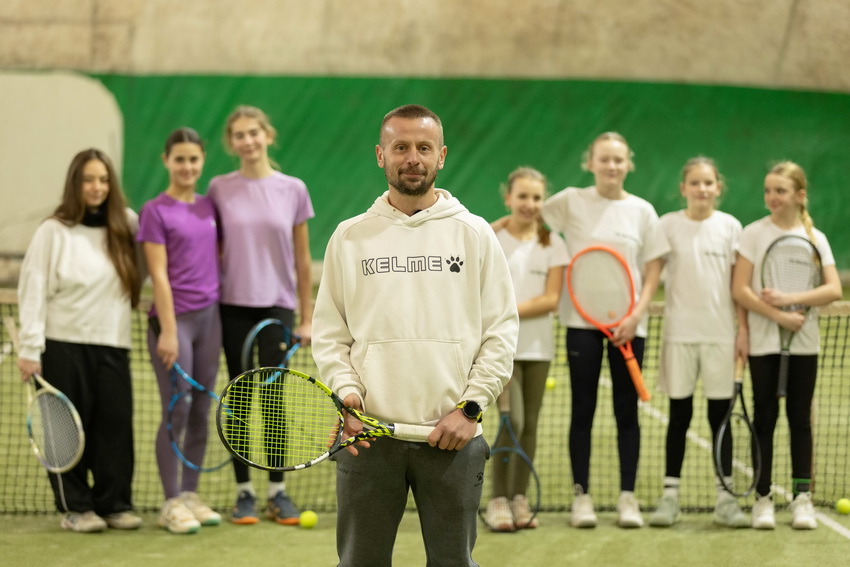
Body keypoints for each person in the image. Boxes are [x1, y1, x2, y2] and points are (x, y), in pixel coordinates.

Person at [312, 104, 519, 566]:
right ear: (380, 155)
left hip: (453, 438)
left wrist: (470, 409)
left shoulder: (475, 234)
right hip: (368, 439)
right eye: (400, 147)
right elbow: (329, 334)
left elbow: (501, 331)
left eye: (424, 148)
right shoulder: (348, 237)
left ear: (441, 156)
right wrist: (347, 395)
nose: (412, 158)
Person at [541, 132, 670, 528]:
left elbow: (654, 268)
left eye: (618, 160)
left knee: (626, 413)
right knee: (582, 410)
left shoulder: (642, 211)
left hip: (629, 326)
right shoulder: (569, 201)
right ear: (590, 163)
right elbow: (527, 221)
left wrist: (636, 315)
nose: (611, 166)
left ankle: (627, 498)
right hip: (581, 323)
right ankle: (582, 498)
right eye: (604, 159)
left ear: (628, 164)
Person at [16, 148, 143, 533]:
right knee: (65, 433)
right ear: (75, 184)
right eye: (88, 180)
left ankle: (114, 504)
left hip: (113, 344)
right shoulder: (53, 230)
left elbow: (151, 263)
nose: (97, 187)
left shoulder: (127, 225)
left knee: (115, 426)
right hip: (61, 344)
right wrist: (29, 348)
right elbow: (33, 287)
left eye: (103, 180)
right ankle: (76, 508)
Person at [207, 105, 315, 525]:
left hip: (277, 308)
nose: (248, 140)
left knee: (273, 400)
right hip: (231, 307)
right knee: (238, 398)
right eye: (239, 135)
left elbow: (302, 260)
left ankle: (277, 492)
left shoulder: (294, 189)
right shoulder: (219, 188)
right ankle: (244, 494)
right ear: (231, 143)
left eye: (254, 132)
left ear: (268, 135)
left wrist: (306, 317)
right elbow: (212, 249)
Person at [731, 161, 841, 530]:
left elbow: (833, 289)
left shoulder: (815, 238)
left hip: (804, 344)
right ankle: (762, 498)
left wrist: (791, 299)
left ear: (799, 195)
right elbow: (740, 289)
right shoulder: (752, 233)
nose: (772, 197)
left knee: (800, 420)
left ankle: (801, 498)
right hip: (763, 343)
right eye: (768, 190)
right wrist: (778, 314)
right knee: (764, 418)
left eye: (780, 190)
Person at [647, 157, 748, 528]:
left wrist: (743, 331)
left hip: (721, 336)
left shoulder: (731, 227)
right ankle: (670, 497)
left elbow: (738, 286)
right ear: (683, 188)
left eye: (708, 183)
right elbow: (652, 277)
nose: (702, 189)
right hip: (679, 336)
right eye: (695, 182)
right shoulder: (667, 225)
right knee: (679, 416)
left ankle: (726, 499)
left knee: (720, 417)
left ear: (718, 187)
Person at [138, 128, 222, 534]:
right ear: (166, 161)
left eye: (193, 159)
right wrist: (169, 331)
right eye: (179, 159)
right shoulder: (154, 211)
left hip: (210, 321)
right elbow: (158, 274)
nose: (187, 166)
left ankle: (190, 494)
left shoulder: (209, 206)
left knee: (202, 408)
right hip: (173, 324)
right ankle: (170, 501)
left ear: (202, 161)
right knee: (178, 408)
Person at [483, 167, 568, 532]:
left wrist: (507, 309)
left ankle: (519, 498)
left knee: (529, 425)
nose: (529, 204)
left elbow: (551, 300)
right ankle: (497, 499)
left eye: (536, 197)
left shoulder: (553, 244)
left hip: (538, 349)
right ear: (508, 198)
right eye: (522, 196)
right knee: (511, 422)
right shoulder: (491, 237)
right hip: (500, 349)